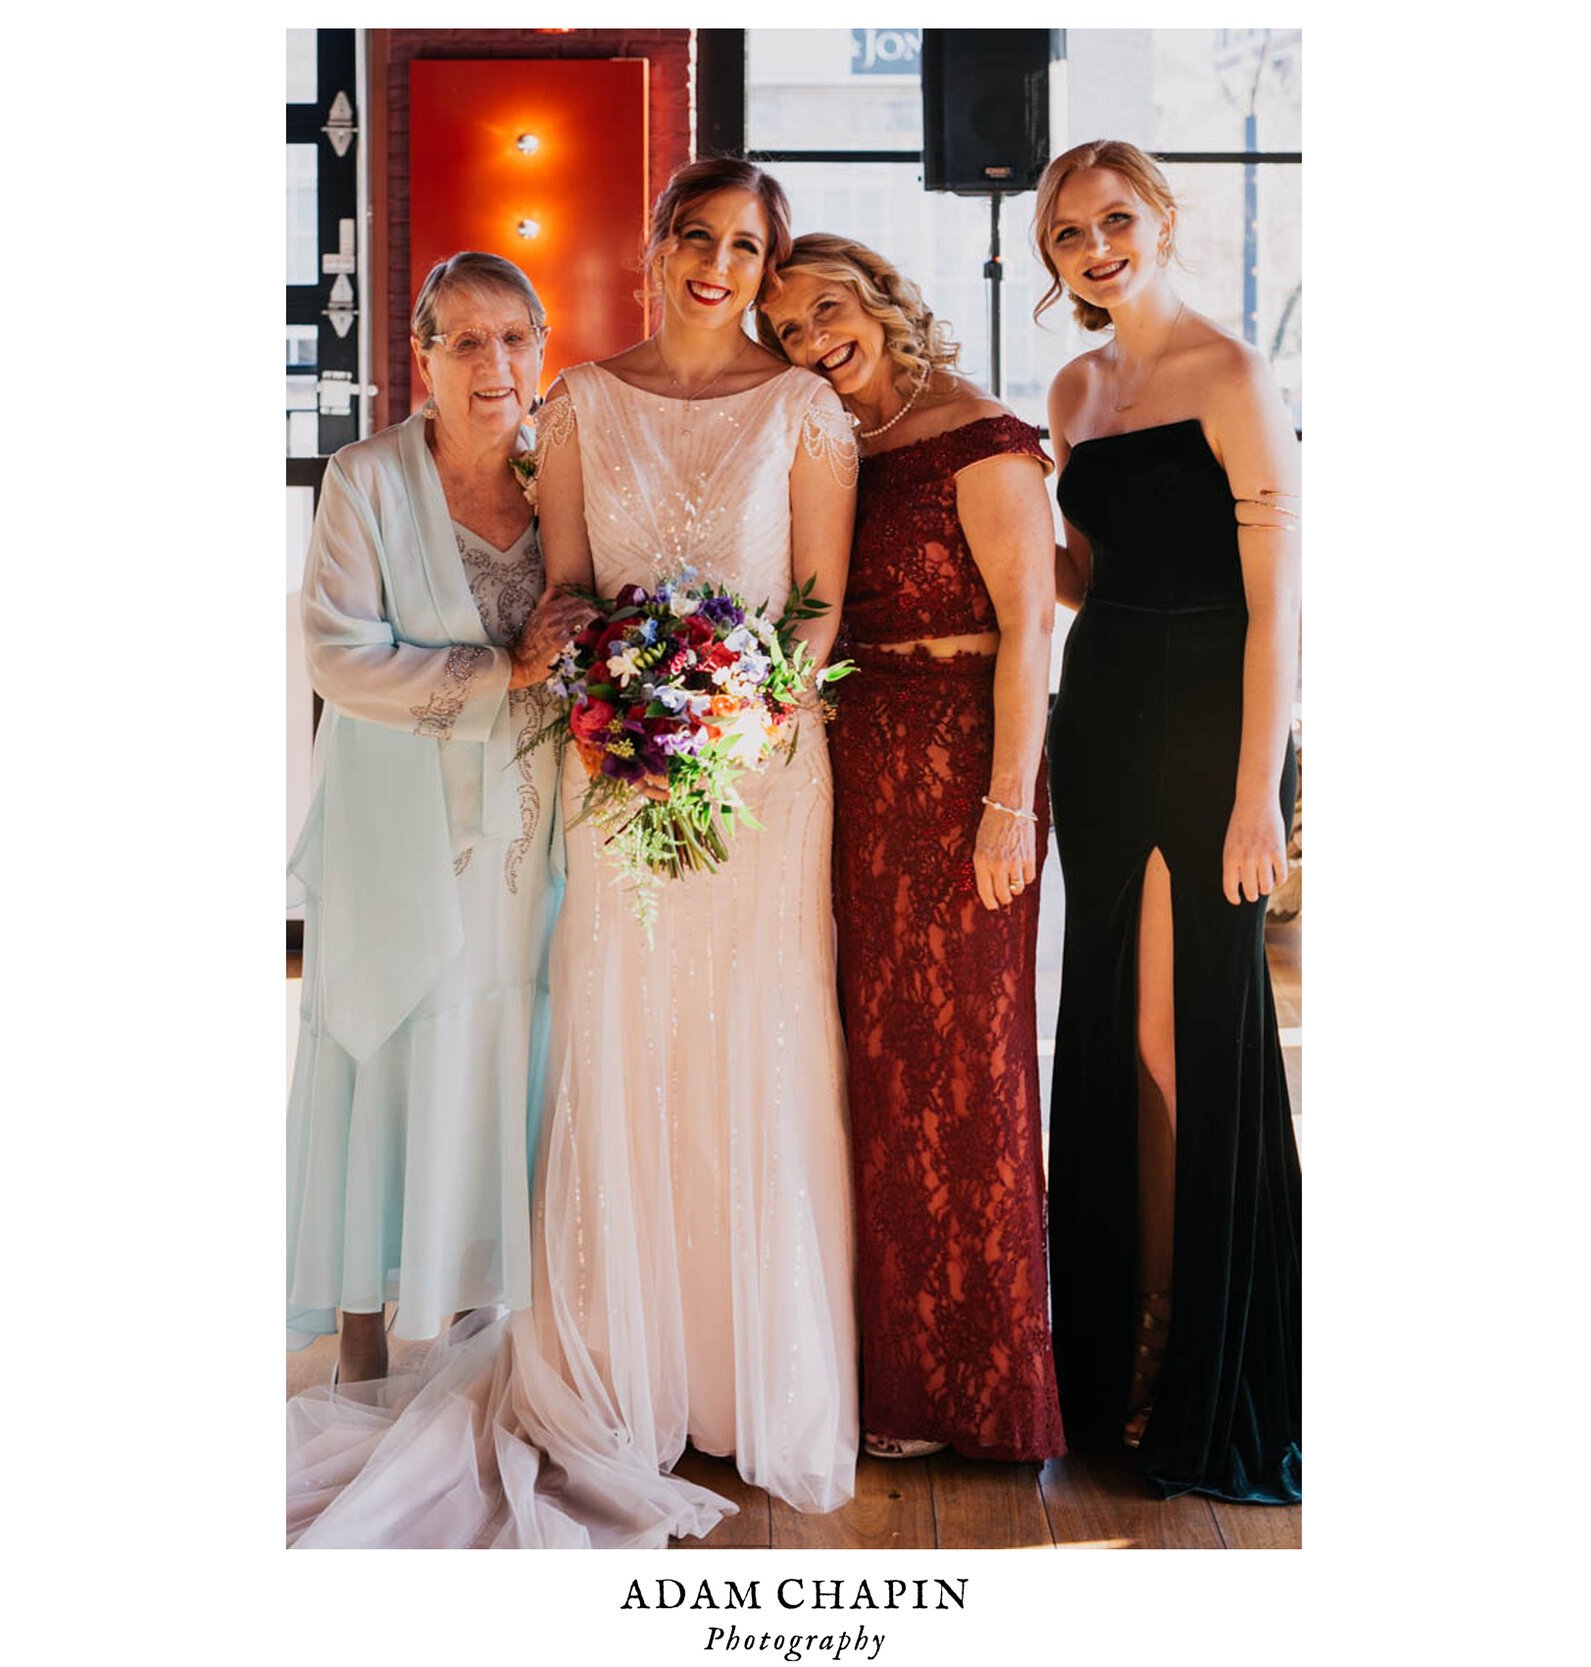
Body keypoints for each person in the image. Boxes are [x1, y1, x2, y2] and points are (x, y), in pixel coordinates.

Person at [285, 159, 861, 1547]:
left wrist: (734, 714)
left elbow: (821, 611)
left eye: (743, 245)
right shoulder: (582, 407)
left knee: (757, 1050)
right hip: (615, 788)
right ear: (655, 245)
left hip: (764, 786)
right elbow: (566, 606)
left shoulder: (806, 410)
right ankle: (621, 1370)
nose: (715, 263)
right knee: (613, 1049)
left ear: (764, 267)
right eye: (695, 235)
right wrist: (632, 718)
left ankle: (750, 1374)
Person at [758, 234, 1064, 1466]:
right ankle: (884, 1376)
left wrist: (1009, 805)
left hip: (958, 774)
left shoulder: (981, 435)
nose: (811, 339)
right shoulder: (833, 443)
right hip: (853, 773)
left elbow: (1031, 630)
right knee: (874, 1076)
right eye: (785, 330)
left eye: (826, 308)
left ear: (882, 301)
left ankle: (978, 1390)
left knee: (970, 1068)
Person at [1032, 139, 1304, 1503]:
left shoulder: (1232, 373)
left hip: (1216, 729)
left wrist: (1261, 787)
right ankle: (1125, 1357)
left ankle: (1225, 1367)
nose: (1095, 244)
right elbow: (1093, 575)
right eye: (1070, 229)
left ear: (1164, 220)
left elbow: (1278, 595)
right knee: (1111, 1043)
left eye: (1117, 219)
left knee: (1186, 1038)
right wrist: (1028, 543)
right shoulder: (1076, 386)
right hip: (1103, 716)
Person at [284, 252, 591, 1383]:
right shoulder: (364, 477)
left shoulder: (569, 469)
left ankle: (484, 1318)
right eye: (464, 341)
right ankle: (365, 1333)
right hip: (397, 829)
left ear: (543, 349)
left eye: (514, 338)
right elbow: (339, 655)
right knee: (390, 1036)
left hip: (533, 827)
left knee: (507, 1041)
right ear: (421, 358)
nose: (493, 364)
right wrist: (504, 671)